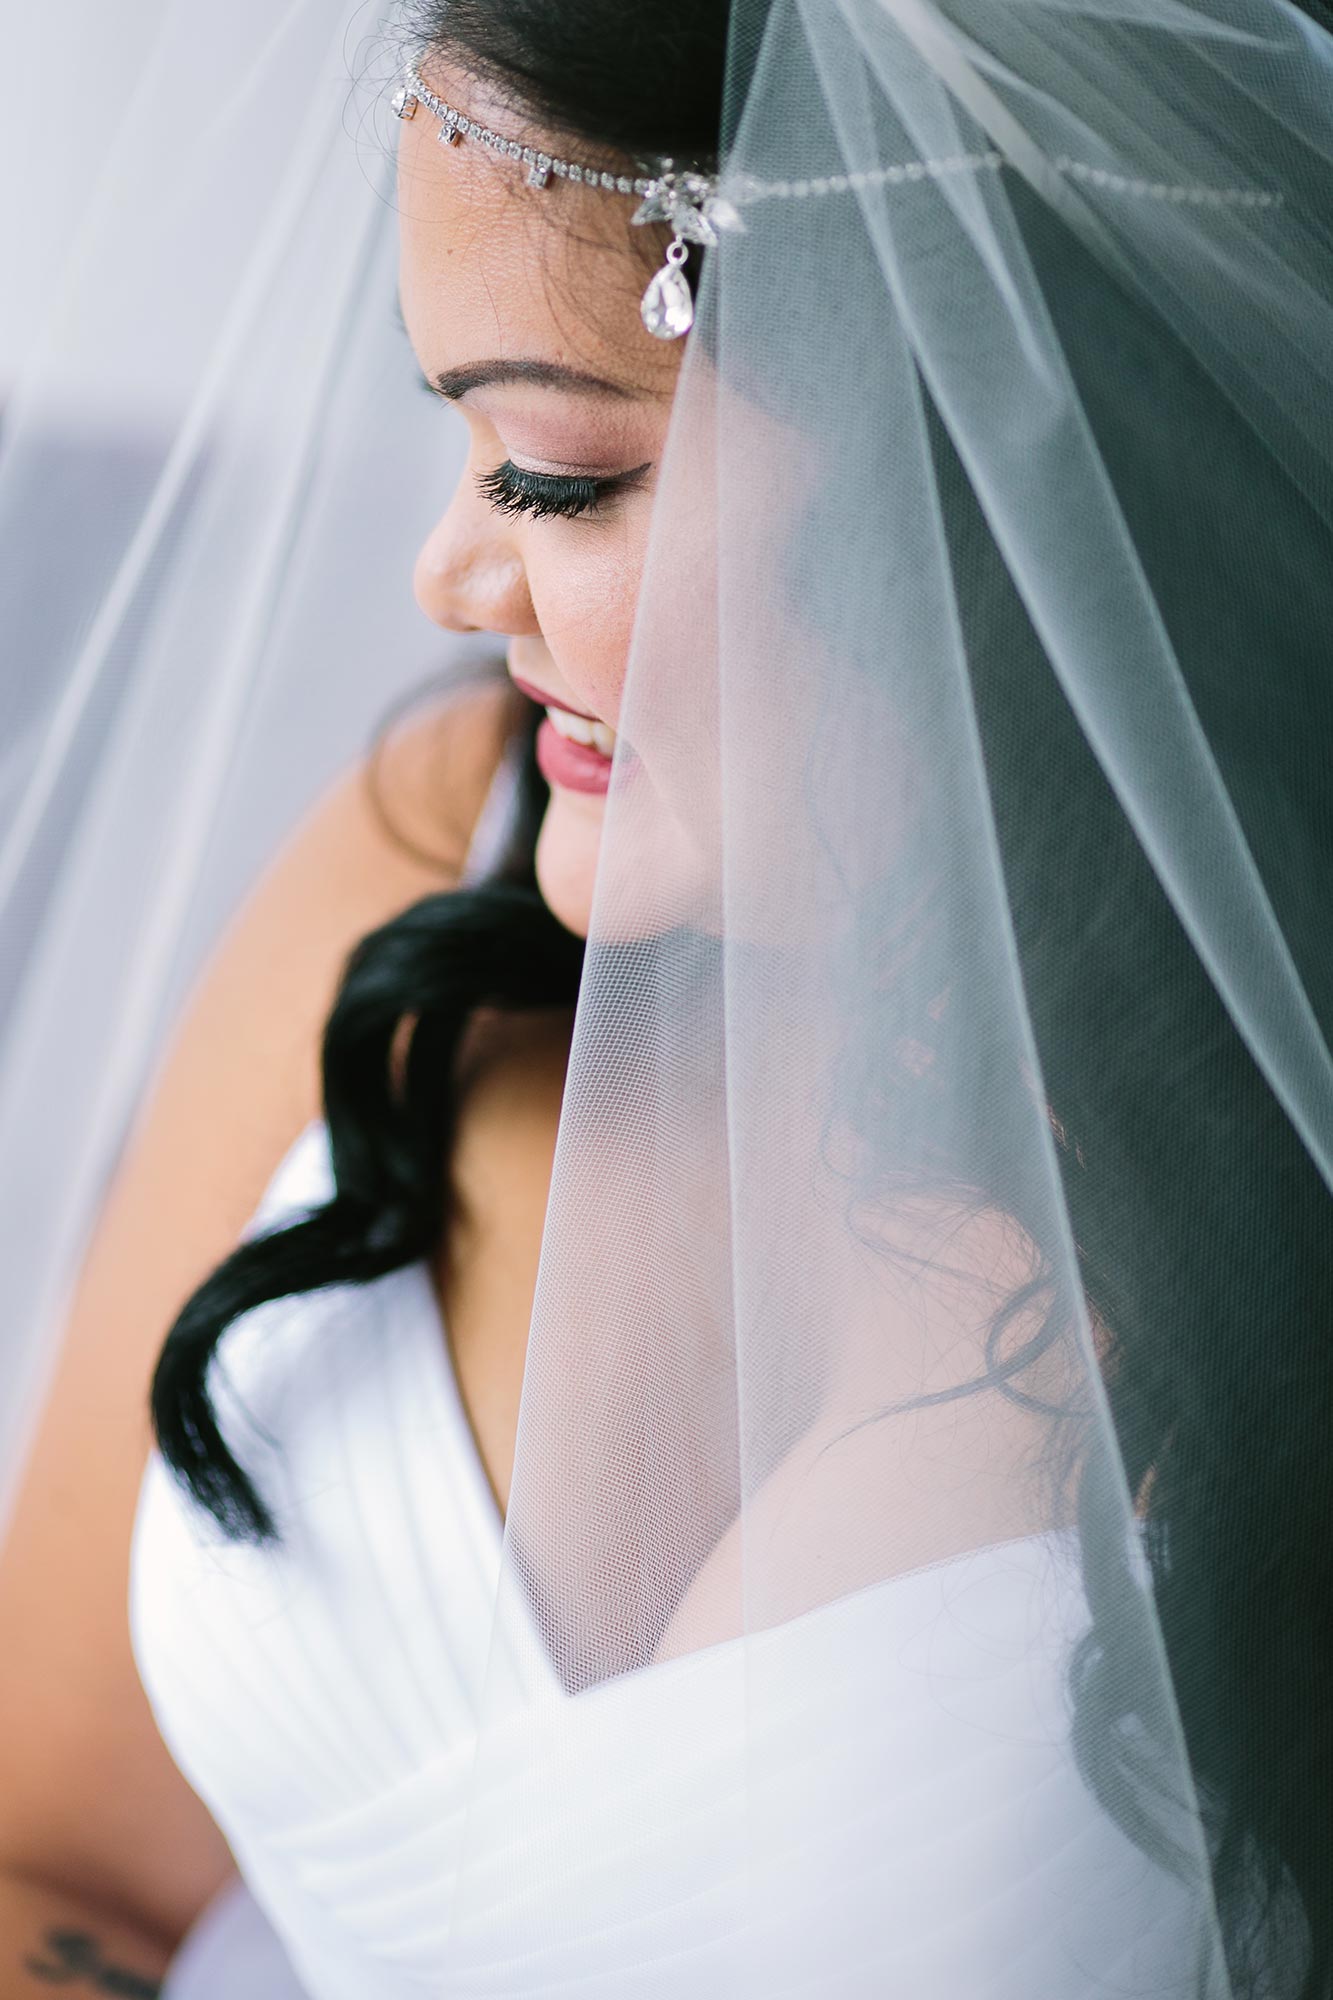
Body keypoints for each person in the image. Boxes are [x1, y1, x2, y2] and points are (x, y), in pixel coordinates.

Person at [1, 0, 1332, 1992]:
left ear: (974, 448)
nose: (451, 569)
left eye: (551, 472)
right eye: (450, 436)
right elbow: (57, 1862)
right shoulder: (430, 846)